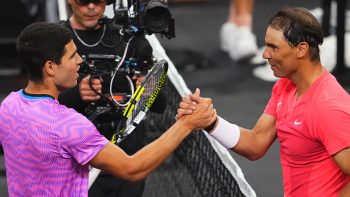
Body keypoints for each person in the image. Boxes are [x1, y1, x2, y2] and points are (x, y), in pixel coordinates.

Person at [0, 21, 216, 196]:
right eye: (72, 55)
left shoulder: (9, 106)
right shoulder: (68, 125)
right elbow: (133, 168)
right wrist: (186, 124)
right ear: (50, 67)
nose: (80, 60)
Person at [177, 7, 350, 196]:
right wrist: (210, 121)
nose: (265, 54)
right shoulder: (284, 86)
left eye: (273, 47)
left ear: (301, 49)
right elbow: (256, 143)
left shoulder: (329, 107)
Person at [58, 0, 166, 196]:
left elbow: (160, 105)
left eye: (98, 2)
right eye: (84, 2)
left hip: (126, 148)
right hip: (77, 154)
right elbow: (39, 103)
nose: (91, 8)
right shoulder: (56, 40)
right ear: (70, 1)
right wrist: (76, 94)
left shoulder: (130, 40)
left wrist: (148, 89)